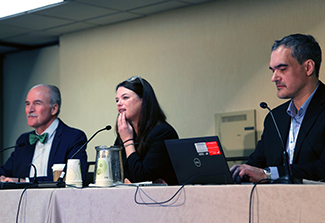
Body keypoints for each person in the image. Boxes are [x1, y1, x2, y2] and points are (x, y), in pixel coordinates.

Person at [231, 33, 325, 183]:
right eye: (272, 70)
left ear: (308, 68)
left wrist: (268, 174)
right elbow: (255, 164)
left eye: (282, 69)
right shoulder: (274, 117)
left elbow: (322, 167)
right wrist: (238, 172)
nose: (274, 78)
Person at [0, 84, 88, 183]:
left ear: (54, 109)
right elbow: (5, 172)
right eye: (27, 104)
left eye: (37, 103)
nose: (30, 109)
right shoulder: (23, 141)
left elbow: (75, 178)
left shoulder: (73, 138)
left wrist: (27, 181)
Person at [114, 75, 179, 185]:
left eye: (125, 98)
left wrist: (128, 142)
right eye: (117, 100)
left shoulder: (162, 133)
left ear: (143, 100)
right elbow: (117, 173)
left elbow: (141, 177)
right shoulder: (126, 132)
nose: (119, 103)